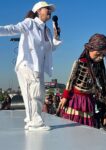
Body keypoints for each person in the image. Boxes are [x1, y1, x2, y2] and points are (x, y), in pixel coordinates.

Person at [0, 1, 61, 131]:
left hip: (37, 66)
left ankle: (30, 120)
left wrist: (56, 37)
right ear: (38, 11)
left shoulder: (47, 30)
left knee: (37, 93)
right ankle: (35, 123)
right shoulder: (30, 23)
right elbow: (12, 29)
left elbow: (50, 49)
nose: (50, 11)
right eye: (47, 9)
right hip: (27, 64)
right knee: (34, 94)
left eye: (50, 9)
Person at [58, 33, 106, 127]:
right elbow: (70, 81)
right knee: (73, 124)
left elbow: (101, 85)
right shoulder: (79, 63)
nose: (100, 58)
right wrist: (65, 96)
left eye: (103, 56)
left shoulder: (98, 67)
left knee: (87, 126)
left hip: (88, 101)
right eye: (98, 54)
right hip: (75, 99)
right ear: (90, 48)